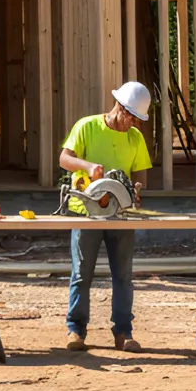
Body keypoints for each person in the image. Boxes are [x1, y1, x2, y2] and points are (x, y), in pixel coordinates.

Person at [58, 80, 153, 353]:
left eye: (137, 119)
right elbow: (65, 159)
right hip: (86, 213)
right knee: (81, 274)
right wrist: (88, 167)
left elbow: (140, 172)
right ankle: (75, 331)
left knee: (123, 275)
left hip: (120, 213)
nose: (132, 124)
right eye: (130, 117)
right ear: (119, 108)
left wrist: (136, 189)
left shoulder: (134, 138)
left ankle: (123, 332)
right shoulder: (87, 126)